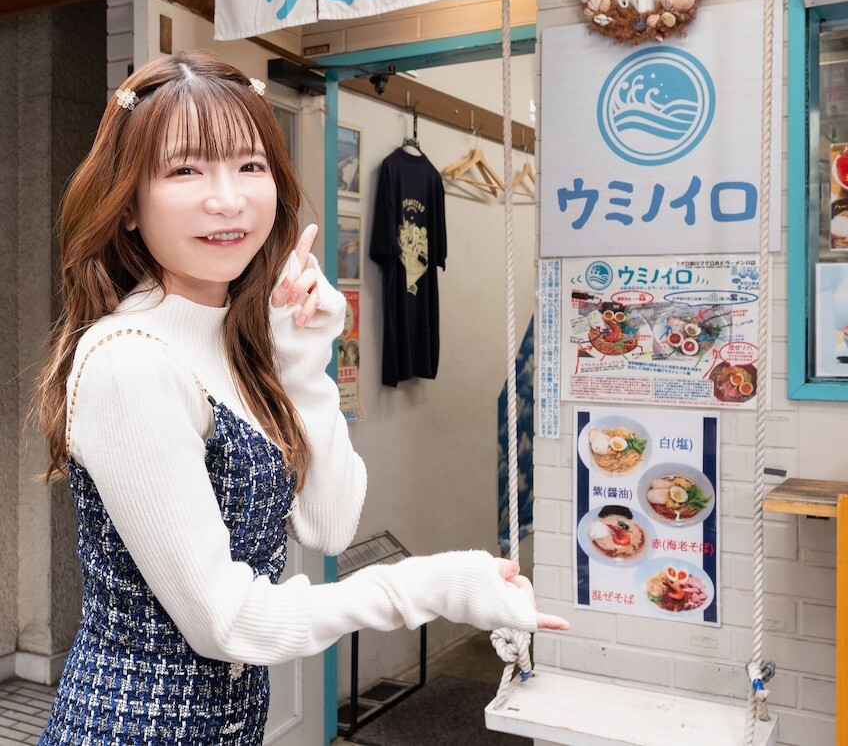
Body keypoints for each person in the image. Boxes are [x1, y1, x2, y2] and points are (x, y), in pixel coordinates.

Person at [31, 53, 566, 744]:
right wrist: (431, 586)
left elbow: (328, 526)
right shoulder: (131, 359)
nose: (227, 199)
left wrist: (306, 362)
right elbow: (226, 623)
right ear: (128, 204)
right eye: (185, 169)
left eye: (249, 166)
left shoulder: (234, 341)